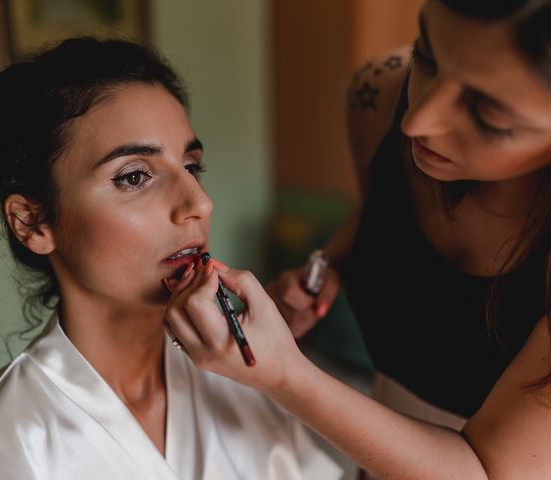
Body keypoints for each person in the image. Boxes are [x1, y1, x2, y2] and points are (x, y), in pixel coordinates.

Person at [0, 38, 343, 480]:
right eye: (135, 176)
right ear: (33, 223)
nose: (199, 203)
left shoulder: (243, 380)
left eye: (191, 167)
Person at [164, 0, 551, 478]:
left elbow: (486, 471)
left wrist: (285, 374)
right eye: (427, 56)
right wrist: (328, 268)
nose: (418, 121)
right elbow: (379, 217)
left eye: (487, 113)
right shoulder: (381, 94)